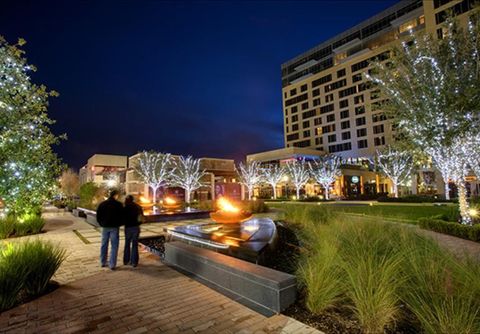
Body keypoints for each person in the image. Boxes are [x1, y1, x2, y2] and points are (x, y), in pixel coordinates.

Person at [96, 190, 124, 270]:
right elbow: (122, 215)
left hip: (105, 227)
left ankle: (103, 262)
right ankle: (112, 264)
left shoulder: (102, 204)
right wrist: (119, 223)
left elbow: (98, 216)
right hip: (114, 227)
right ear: (115, 195)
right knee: (114, 246)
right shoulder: (118, 205)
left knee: (104, 244)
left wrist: (101, 223)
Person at [123, 195, 144, 267]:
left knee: (127, 244)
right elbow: (141, 218)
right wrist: (138, 223)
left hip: (128, 227)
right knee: (135, 245)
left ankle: (126, 260)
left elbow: (122, 218)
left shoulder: (125, 207)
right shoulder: (138, 207)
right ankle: (134, 262)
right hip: (136, 227)